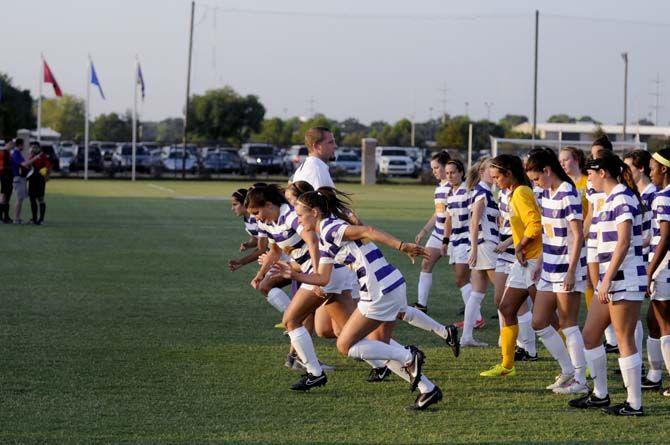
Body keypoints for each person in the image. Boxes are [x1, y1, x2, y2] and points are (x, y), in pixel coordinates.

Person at [275, 187, 443, 410]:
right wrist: (293, 273)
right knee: (372, 345)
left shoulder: (330, 228)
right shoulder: (325, 237)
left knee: (347, 345)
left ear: (314, 212)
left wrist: (402, 246)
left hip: (380, 289)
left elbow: (368, 230)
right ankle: (428, 389)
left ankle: (408, 356)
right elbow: (323, 278)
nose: (296, 220)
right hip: (382, 287)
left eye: (299, 215)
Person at [569, 151, 646, 416]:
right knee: (590, 336)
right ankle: (600, 395)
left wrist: (607, 279)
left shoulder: (623, 196)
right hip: (610, 282)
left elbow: (623, 242)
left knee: (625, 340)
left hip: (625, 280)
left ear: (602, 173)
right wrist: (599, 280)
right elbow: (599, 244)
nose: (587, 179)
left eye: (590, 173)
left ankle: (634, 404)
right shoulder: (606, 200)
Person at [246, 184, 330, 391]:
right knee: (337, 332)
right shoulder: (269, 223)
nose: (256, 218)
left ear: (269, 204)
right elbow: (275, 250)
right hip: (313, 272)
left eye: (257, 212)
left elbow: (312, 240)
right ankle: (400, 359)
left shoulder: (290, 216)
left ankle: (314, 373)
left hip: (325, 271)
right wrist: (260, 274)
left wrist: (317, 274)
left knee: (292, 320)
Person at [525, 148, 589, 395]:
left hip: (566, 269)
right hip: (549, 267)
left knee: (568, 324)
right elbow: (548, 232)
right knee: (538, 321)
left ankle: (581, 380)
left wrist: (572, 271)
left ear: (547, 170)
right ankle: (567, 370)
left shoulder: (568, 193)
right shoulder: (545, 192)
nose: (536, 183)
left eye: (537, 178)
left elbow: (576, 235)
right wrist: (541, 261)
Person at [480, 154, 542, 377]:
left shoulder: (522, 192)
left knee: (548, 320)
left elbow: (535, 227)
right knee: (506, 308)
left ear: (509, 174)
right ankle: (507, 365)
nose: (495, 180)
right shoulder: (513, 192)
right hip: (522, 261)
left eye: (498, 176)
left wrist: (519, 246)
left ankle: (578, 367)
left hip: (533, 260)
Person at [587, 136, 620, 353]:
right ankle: (609, 339)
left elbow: (625, 238)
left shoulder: (619, 190)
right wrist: (584, 233)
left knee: (618, 304)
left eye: (598, 154)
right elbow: (590, 212)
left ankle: (616, 341)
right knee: (595, 287)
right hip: (594, 240)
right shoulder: (592, 182)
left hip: (611, 243)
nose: (594, 158)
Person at [461, 158, 498, 347]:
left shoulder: (486, 192)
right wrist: (474, 249)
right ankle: (507, 339)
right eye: (492, 168)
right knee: (503, 292)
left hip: (482, 245)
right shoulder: (481, 192)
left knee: (477, 293)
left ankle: (466, 337)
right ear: (483, 171)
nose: (495, 172)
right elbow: (474, 222)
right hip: (485, 246)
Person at [642, 148, 670, 396]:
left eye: (652, 167)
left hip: (664, 270)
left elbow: (666, 237)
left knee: (664, 323)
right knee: (653, 321)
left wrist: (649, 271)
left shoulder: (663, 197)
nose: (650, 171)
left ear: (663, 169)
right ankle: (654, 376)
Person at [413, 151, 451, 312]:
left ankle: (475, 311)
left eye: (436, 168)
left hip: (454, 236)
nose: (434, 171)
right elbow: (438, 213)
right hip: (437, 234)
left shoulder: (455, 187)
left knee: (462, 276)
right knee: (426, 264)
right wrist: (424, 231)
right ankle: (421, 305)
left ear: (446, 166)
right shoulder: (438, 188)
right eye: (432, 168)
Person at [560, 146, 591, 311]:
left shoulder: (588, 181)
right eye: (560, 161)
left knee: (589, 281)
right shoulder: (562, 184)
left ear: (577, 160)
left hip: (587, 239)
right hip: (566, 242)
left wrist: (584, 233)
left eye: (566, 159)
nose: (562, 163)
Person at [444, 160, 474, 322]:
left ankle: (475, 317)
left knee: (461, 279)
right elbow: (448, 220)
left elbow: (475, 215)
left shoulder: (468, 190)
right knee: (462, 280)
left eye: (453, 172)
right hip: (454, 241)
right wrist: (445, 241)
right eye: (447, 173)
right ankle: (474, 315)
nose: (450, 176)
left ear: (461, 173)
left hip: (466, 240)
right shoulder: (450, 193)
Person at [228, 188, 268, 272]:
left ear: (244, 203)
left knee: (263, 284)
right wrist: (249, 244)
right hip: (273, 255)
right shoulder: (247, 219)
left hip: (281, 255)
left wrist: (241, 262)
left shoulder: (258, 218)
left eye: (235, 204)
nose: (232, 208)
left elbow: (263, 248)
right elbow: (257, 238)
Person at [26, 142, 51, 225]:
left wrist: (45, 173)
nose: (34, 149)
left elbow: (48, 166)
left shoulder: (43, 156)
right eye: (33, 147)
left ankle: (41, 219)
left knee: (41, 198)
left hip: (40, 179)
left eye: (36, 147)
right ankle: (34, 218)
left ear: (39, 148)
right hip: (32, 179)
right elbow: (27, 166)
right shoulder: (31, 156)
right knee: (32, 199)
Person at [0, 141, 14, 223]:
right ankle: (0, 218)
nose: (12, 145)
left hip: (9, 176)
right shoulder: (2, 152)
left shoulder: (9, 153)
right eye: (11, 144)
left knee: (8, 196)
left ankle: (6, 217)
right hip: (4, 176)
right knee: (3, 196)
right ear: (7, 144)